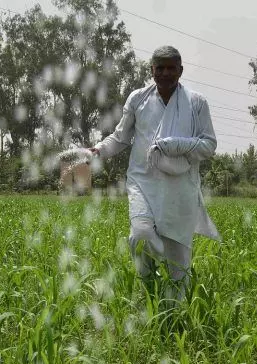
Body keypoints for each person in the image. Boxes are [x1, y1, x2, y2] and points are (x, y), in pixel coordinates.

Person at [90, 45, 220, 302]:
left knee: (178, 261)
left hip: (180, 186)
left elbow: (209, 145)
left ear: (180, 71)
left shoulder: (196, 103)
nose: (165, 73)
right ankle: (149, 292)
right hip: (143, 182)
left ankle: (175, 315)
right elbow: (121, 137)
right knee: (140, 237)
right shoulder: (137, 99)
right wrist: (98, 150)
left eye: (171, 68)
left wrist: (175, 145)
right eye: (160, 67)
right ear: (152, 70)